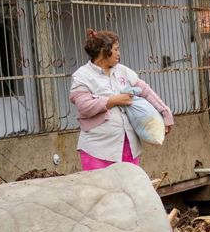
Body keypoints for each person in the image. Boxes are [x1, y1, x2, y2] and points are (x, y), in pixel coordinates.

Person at [69, 28, 174, 171]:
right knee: (102, 192)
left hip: (128, 146)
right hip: (98, 150)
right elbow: (85, 107)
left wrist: (165, 113)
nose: (119, 54)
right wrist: (113, 100)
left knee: (128, 190)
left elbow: (146, 92)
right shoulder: (82, 76)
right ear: (104, 51)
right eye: (116, 50)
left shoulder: (123, 71)